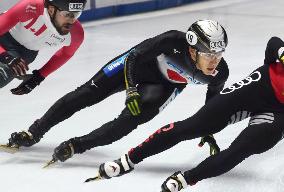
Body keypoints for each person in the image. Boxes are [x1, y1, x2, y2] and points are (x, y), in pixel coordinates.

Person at [5, 20, 228, 164]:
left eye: (219, 55)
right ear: (191, 49)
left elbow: (213, 103)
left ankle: (77, 145)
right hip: (133, 66)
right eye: (209, 55)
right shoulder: (171, 40)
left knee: (128, 123)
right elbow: (133, 56)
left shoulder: (219, 74)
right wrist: (130, 88)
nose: (214, 62)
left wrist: (207, 129)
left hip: (164, 85)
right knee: (85, 94)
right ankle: (34, 132)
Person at [92, 36, 284, 191]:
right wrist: (277, 56)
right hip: (257, 87)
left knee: (242, 148)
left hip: (278, 113)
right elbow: (274, 42)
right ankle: (130, 159)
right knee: (191, 126)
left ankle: (187, 179)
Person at [0, 0, 85, 94]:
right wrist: (5, 56)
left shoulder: (76, 34)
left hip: (24, 54)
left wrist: (38, 77)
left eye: (76, 15)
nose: (71, 21)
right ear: (51, 10)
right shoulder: (30, 7)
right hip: (3, 36)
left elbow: (66, 54)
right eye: (67, 14)